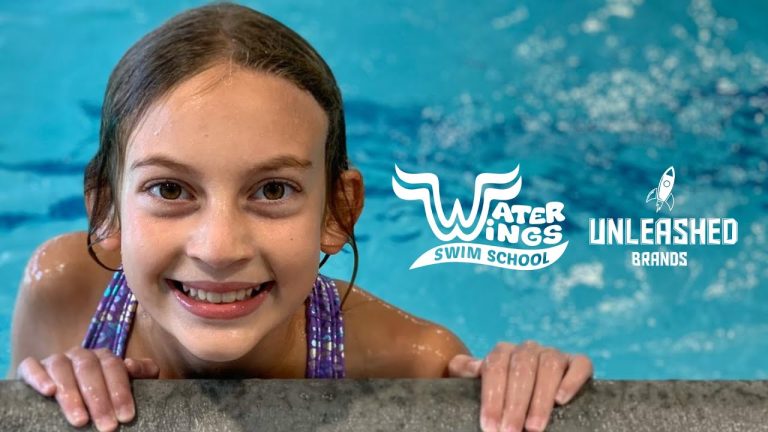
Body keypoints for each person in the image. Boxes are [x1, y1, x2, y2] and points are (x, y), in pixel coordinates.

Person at [8, 3, 593, 431]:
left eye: (271, 189)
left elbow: (512, 400)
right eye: (169, 188)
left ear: (338, 211)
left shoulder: (411, 363)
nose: (219, 247)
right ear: (106, 211)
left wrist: (531, 386)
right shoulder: (63, 293)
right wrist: (62, 395)